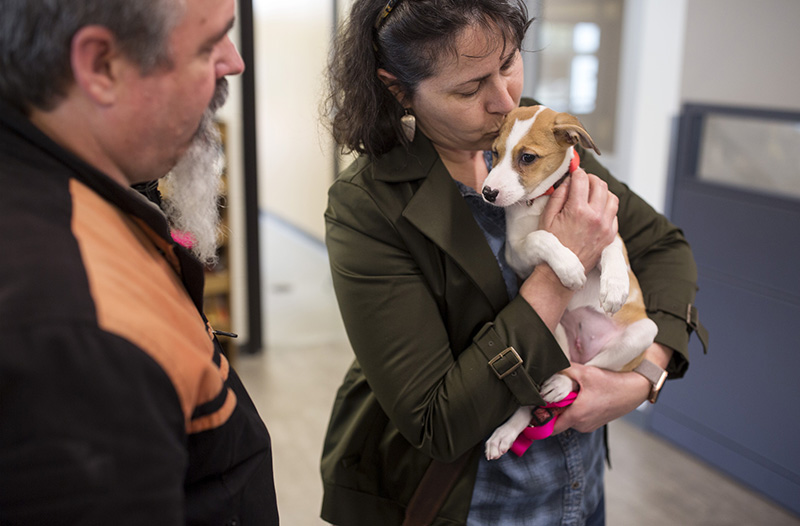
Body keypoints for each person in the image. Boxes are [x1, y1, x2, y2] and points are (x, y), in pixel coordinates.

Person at [319, 1, 707, 525]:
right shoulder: (367, 207)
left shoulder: (537, 133)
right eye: (468, 88)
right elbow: (439, 421)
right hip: (466, 502)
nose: (504, 101)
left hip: (576, 490)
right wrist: (555, 277)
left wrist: (641, 379)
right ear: (398, 88)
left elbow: (663, 245)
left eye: (508, 63)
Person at [0, 0, 279, 524]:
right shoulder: (77, 325)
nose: (234, 61)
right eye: (208, 44)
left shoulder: (75, 182)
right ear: (102, 65)